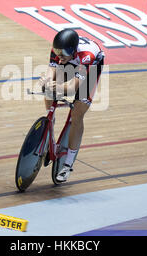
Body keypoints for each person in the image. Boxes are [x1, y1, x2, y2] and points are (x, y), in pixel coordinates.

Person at [39, 29, 105, 182]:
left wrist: (59, 86)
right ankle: (49, 127)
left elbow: (72, 87)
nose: (59, 56)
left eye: (62, 54)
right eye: (57, 53)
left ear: (73, 50)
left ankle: (68, 164)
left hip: (90, 68)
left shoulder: (86, 55)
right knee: (50, 89)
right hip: (73, 61)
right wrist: (47, 82)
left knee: (77, 113)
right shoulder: (59, 50)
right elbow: (50, 73)